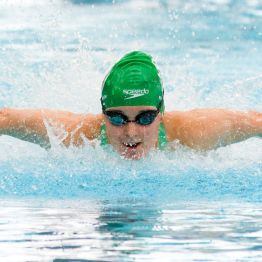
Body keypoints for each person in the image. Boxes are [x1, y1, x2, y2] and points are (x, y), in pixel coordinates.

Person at [0, 51, 261, 159]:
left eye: (145, 118)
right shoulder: (78, 135)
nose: (131, 133)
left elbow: (256, 122)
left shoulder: (192, 133)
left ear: (161, 113)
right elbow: (6, 118)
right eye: (116, 118)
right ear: (102, 114)